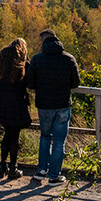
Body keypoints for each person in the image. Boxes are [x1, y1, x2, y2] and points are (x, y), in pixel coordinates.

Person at [24, 29, 81, 184]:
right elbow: (76, 83)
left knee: (45, 137)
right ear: (57, 39)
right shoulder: (69, 59)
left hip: (44, 105)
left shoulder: (37, 59)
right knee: (59, 141)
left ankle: (41, 171)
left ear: (44, 41)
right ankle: (54, 176)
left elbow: (29, 83)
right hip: (62, 105)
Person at [0, 37, 32, 179]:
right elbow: (30, 82)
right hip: (17, 102)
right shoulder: (23, 62)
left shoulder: (1, 58)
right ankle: (13, 167)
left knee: (7, 133)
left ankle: (2, 166)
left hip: (1, 100)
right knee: (14, 136)